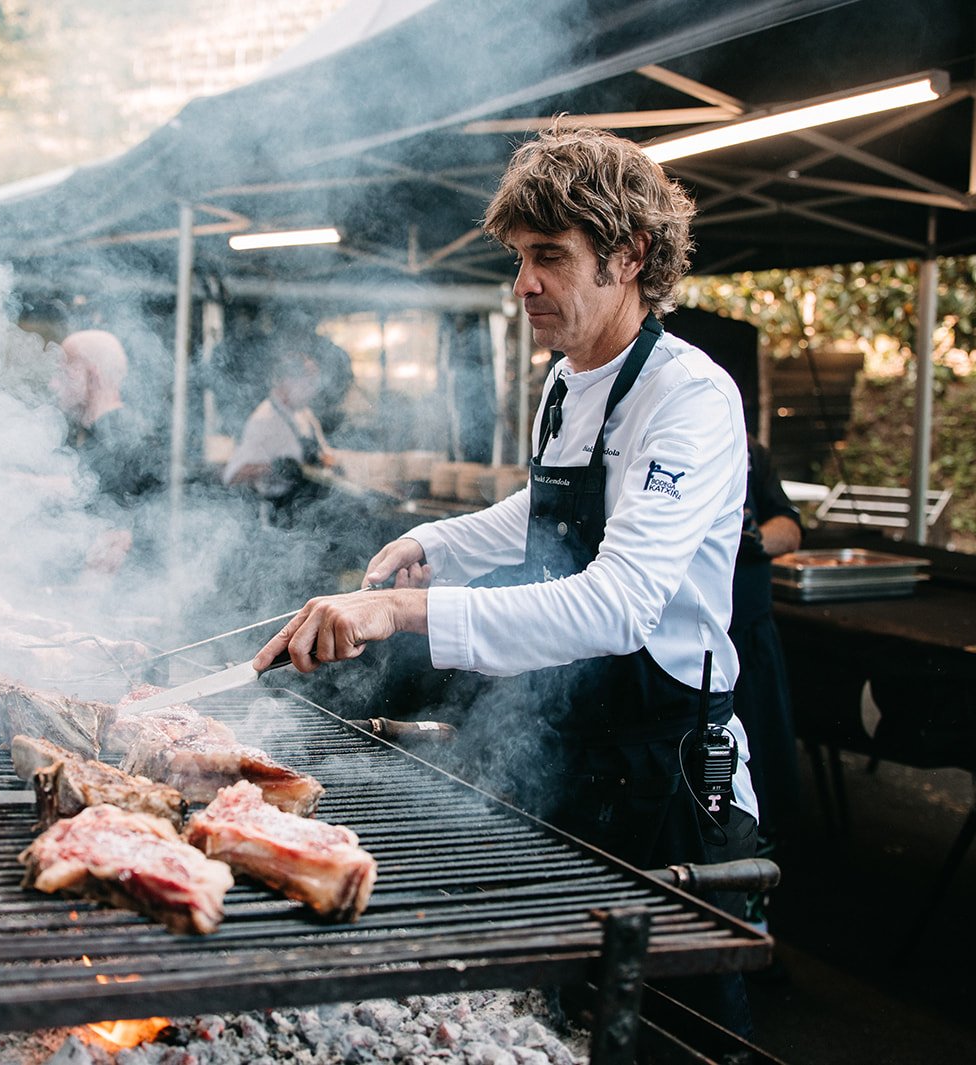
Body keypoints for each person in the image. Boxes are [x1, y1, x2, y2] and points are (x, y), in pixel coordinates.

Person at [252, 128, 758, 1034]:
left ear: (629, 255)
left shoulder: (690, 399)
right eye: (520, 258)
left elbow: (618, 602)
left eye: (549, 259)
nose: (522, 284)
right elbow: (543, 513)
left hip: (669, 772)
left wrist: (403, 608)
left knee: (671, 1033)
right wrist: (435, 543)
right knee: (554, 1021)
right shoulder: (567, 381)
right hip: (574, 749)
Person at [731, 441, 803, 932]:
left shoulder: (749, 452)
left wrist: (750, 538)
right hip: (684, 649)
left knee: (757, 781)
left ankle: (751, 918)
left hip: (749, 642)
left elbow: (789, 528)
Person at [51, 329, 163, 575]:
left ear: (92, 375)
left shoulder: (124, 435)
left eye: (64, 371)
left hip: (126, 595)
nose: (54, 383)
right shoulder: (95, 435)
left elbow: (95, 497)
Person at [221, 345, 337, 526]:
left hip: (311, 514)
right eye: (308, 382)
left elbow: (326, 456)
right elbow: (232, 476)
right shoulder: (264, 420)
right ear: (287, 381)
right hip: (282, 520)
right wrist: (275, 467)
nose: (314, 389)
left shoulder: (305, 415)